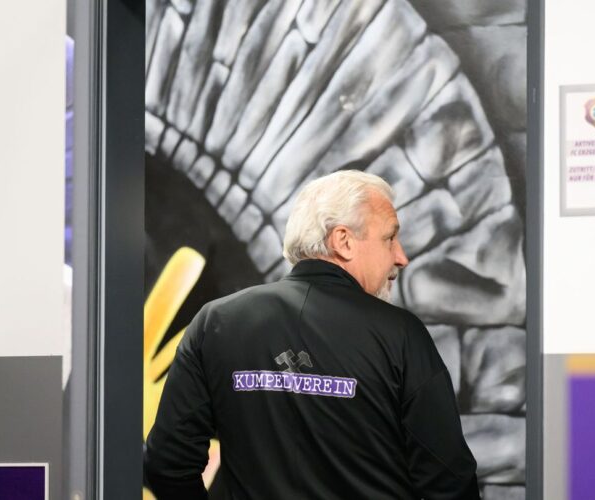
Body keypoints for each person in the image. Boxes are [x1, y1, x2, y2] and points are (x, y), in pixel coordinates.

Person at [144, 170, 481, 499]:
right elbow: (449, 483)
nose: (401, 257)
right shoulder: (400, 336)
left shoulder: (215, 323)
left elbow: (167, 464)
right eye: (390, 238)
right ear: (343, 241)